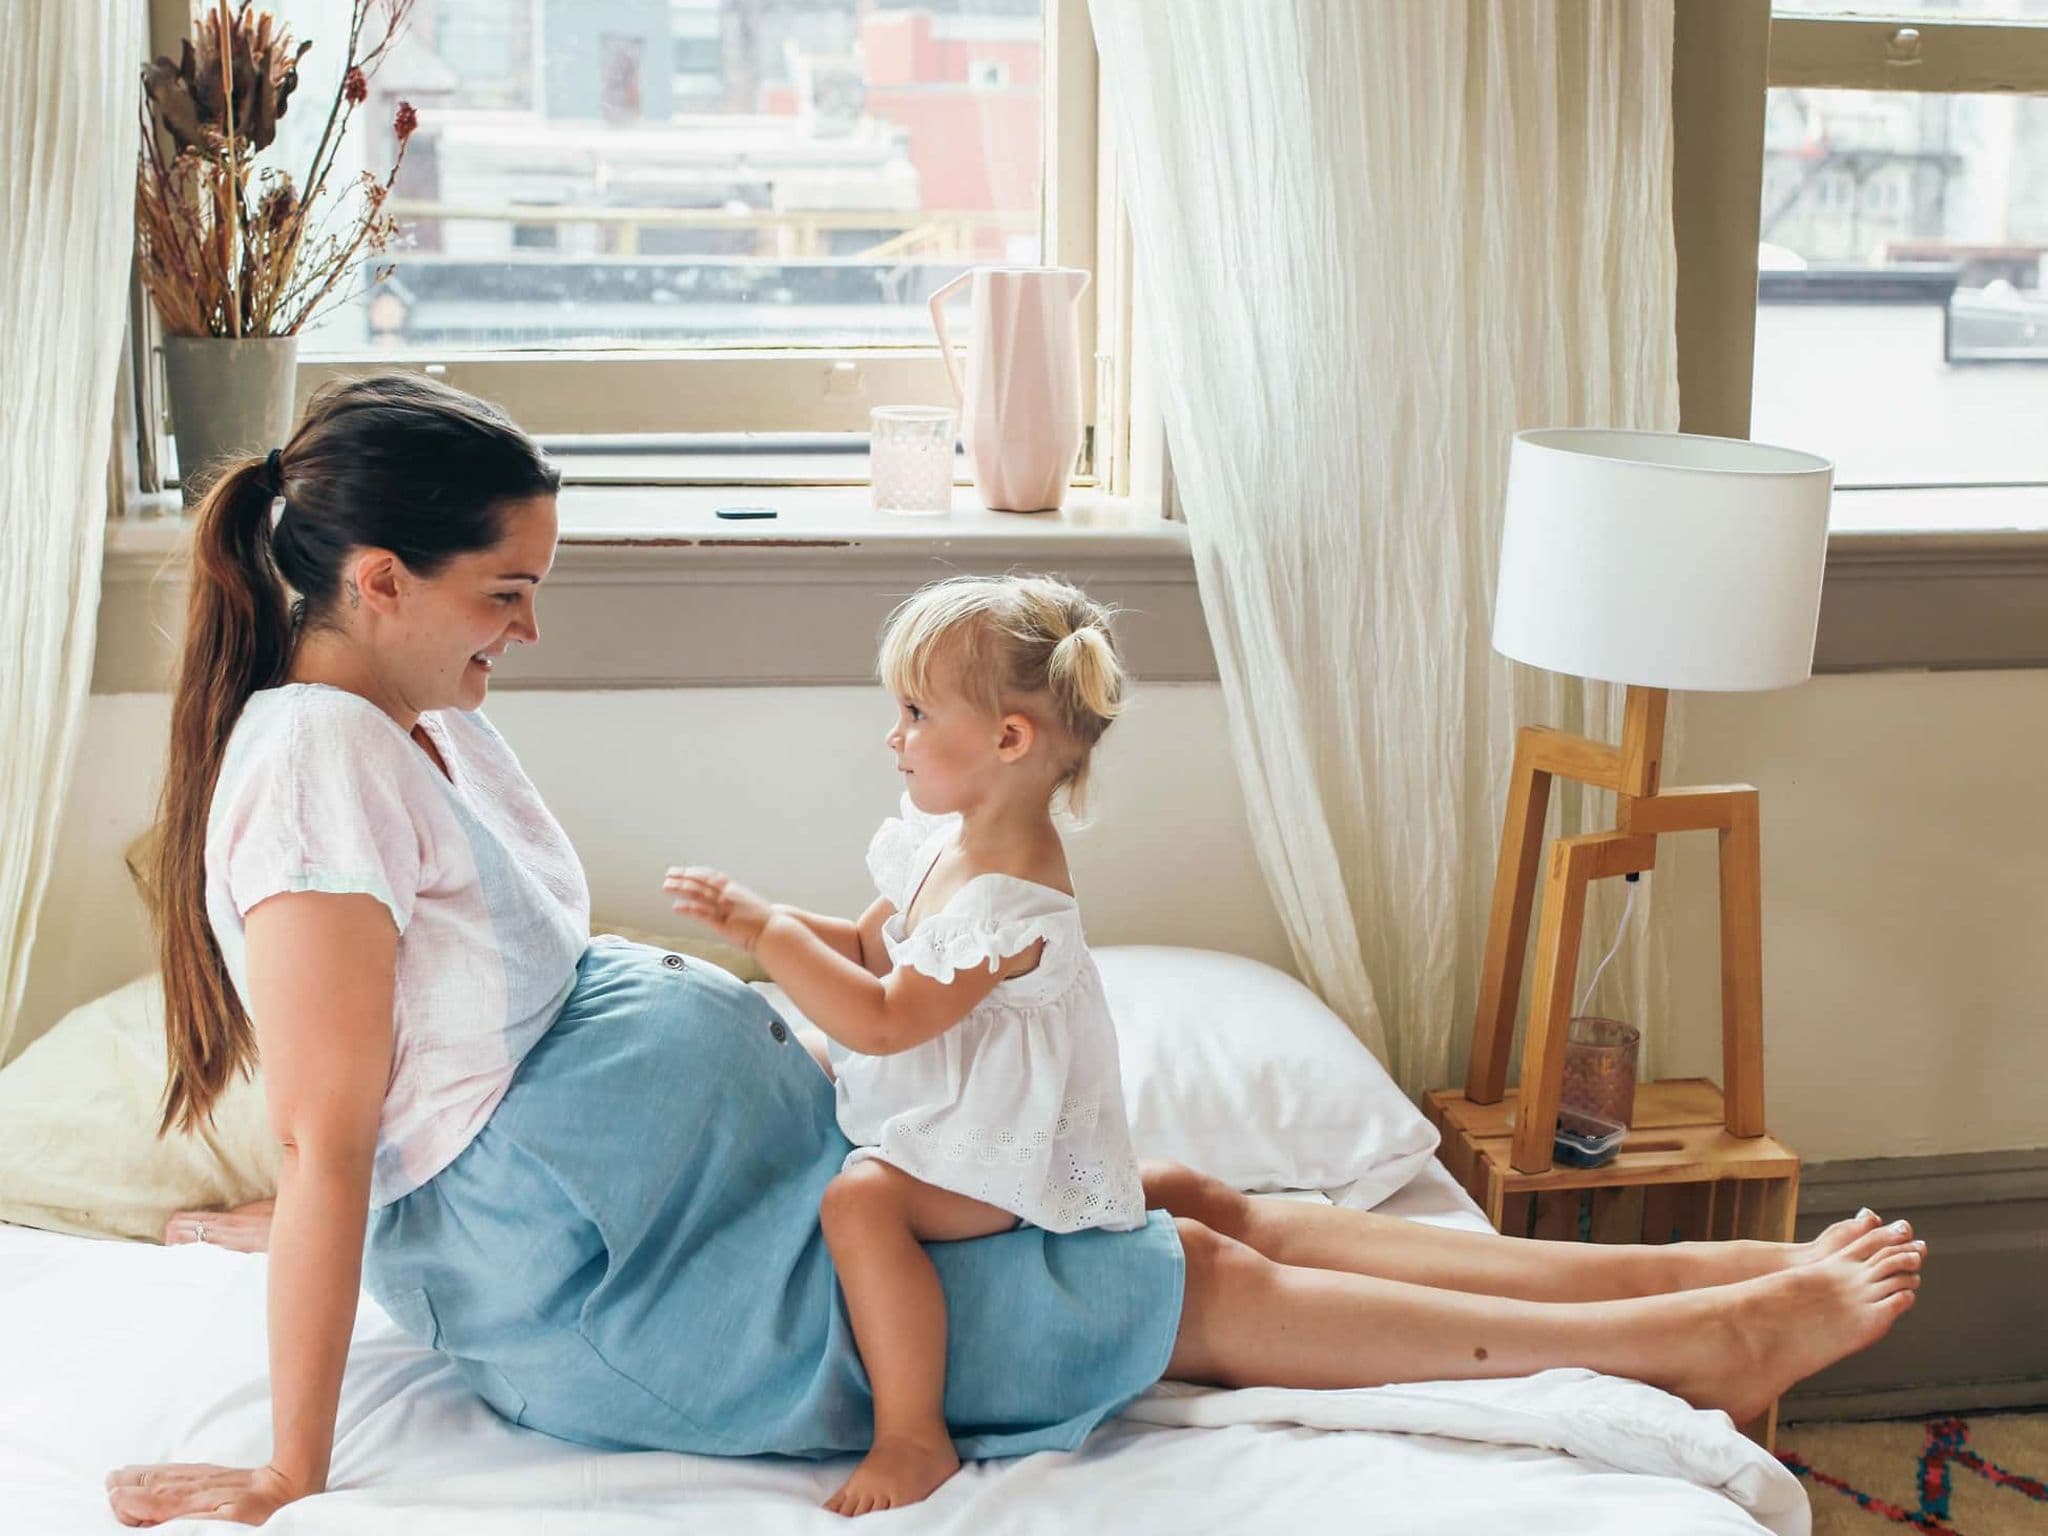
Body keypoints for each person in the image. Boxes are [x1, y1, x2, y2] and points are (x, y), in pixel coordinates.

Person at [115, 373, 1924, 1530]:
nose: (522, 627)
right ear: (373, 584)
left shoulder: (406, 720)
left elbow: (399, 1061)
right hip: (662, 1295)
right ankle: (1704, 1334)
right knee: (1162, 1279)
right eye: (502, 590)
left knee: (1191, 1190)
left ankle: (1661, 1280)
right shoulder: (316, 776)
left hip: (727, 1191)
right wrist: (288, 1463)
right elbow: (344, 1134)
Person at [665, 575, 1147, 1515]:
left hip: (998, 1151)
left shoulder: (1011, 899)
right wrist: (752, 923)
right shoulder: (950, 842)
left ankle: (913, 1436)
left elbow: (888, 1018)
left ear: (1009, 741)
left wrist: (771, 938)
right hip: (937, 1101)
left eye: (918, 713)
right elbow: (863, 948)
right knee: (793, 1054)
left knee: (863, 1206)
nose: (896, 735)